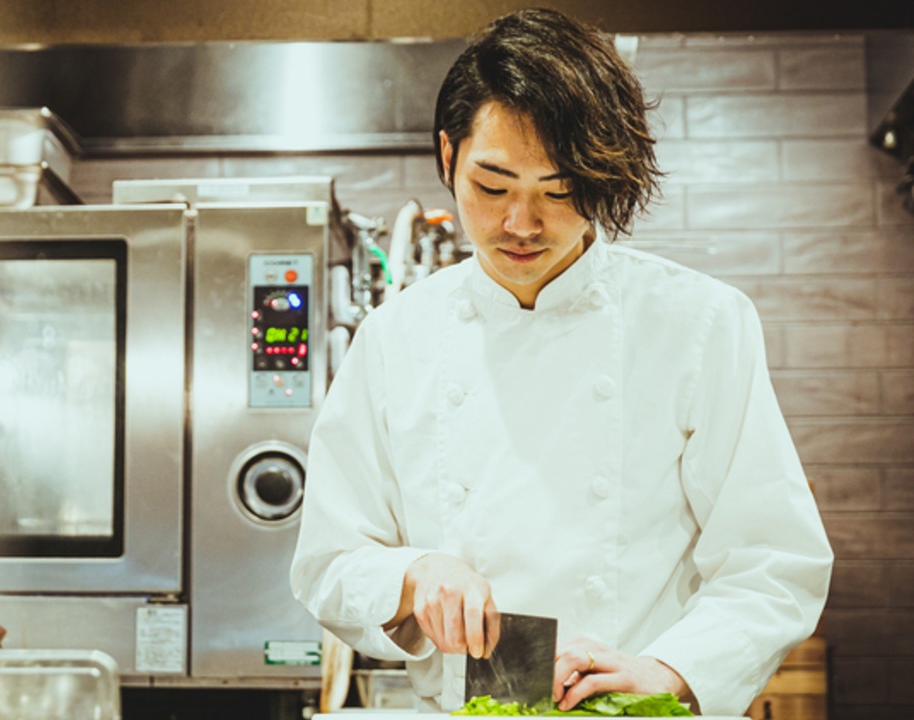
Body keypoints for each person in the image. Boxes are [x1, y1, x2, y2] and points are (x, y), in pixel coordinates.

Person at [289, 8, 833, 716]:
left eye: (560, 191)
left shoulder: (700, 323)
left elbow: (773, 562)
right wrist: (414, 575)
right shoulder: (394, 339)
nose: (521, 224)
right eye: (492, 187)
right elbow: (328, 563)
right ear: (449, 156)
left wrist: (670, 669)